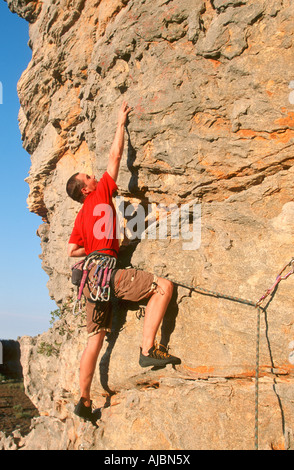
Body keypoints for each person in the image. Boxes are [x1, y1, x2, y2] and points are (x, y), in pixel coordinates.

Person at [66, 101, 181, 422]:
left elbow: (72, 252)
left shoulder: (80, 219)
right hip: (108, 273)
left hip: (91, 280)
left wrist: (94, 246)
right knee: (163, 287)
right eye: (88, 176)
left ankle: (84, 399)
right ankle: (147, 351)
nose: (94, 176)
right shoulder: (100, 194)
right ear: (86, 188)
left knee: (95, 340)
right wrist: (120, 123)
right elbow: (115, 158)